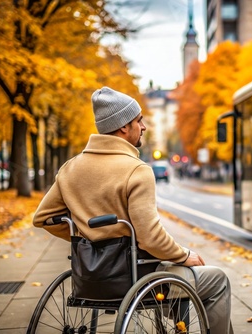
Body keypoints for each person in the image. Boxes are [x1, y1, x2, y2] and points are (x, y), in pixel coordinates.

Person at [33, 86, 234, 333]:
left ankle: (172, 314)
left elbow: (43, 218)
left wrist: (86, 235)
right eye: (139, 120)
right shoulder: (136, 170)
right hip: (134, 280)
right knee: (217, 280)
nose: (144, 126)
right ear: (123, 127)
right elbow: (151, 237)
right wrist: (182, 255)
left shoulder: (70, 168)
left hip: (88, 280)